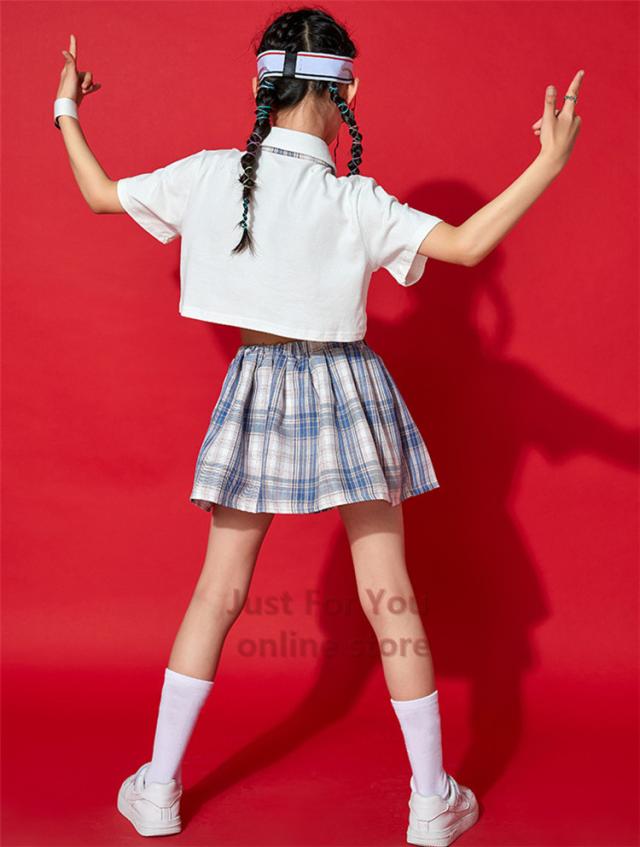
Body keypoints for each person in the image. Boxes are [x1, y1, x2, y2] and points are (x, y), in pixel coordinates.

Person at [53, 8, 583, 845]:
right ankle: (430, 802)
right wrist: (548, 162)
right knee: (389, 594)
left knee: (218, 593)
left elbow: (96, 194)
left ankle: (156, 789)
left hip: (256, 390)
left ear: (261, 89)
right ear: (349, 95)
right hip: (349, 392)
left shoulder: (208, 175)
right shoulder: (354, 199)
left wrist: (67, 110)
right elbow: (467, 245)